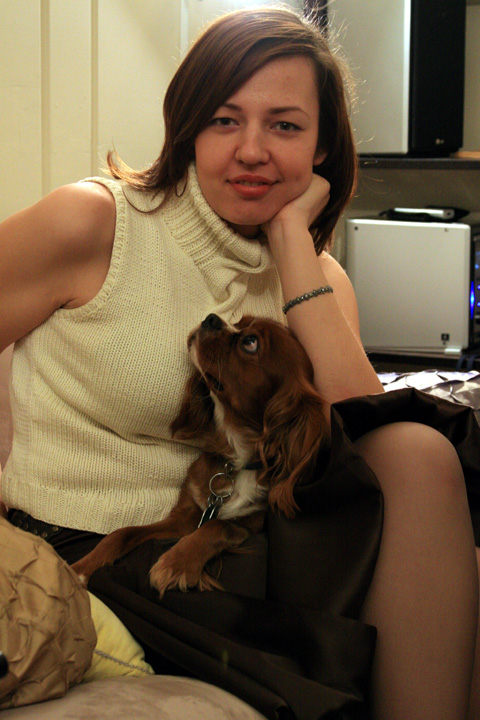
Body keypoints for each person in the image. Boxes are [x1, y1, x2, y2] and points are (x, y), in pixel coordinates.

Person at [0, 7, 479, 720]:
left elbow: (359, 454)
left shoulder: (317, 279)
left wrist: (293, 246)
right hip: (103, 550)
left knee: (417, 451)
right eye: (225, 120)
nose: (252, 150)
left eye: (284, 126)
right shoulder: (97, 224)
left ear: (322, 145)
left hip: (246, 543)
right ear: (189, 126)